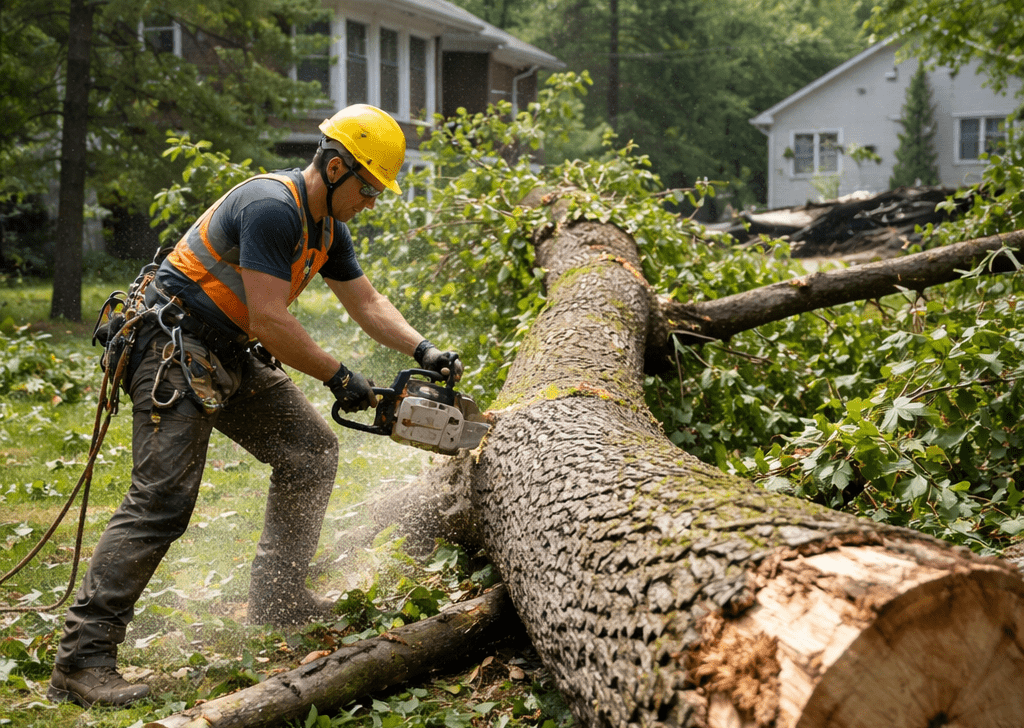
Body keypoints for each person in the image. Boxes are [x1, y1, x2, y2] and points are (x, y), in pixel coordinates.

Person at [47, 104, 462, 709]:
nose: (371, 202)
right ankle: (82, 660)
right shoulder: (273, 207)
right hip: (175, 343)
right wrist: (339, 375)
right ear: (338, 165)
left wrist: (424, 350)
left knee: (310, 451)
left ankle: (278, 599)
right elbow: (271, 317)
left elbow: (366, 302)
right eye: (368, 189)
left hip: (229, 347)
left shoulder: (328, 229)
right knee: (161, 499)